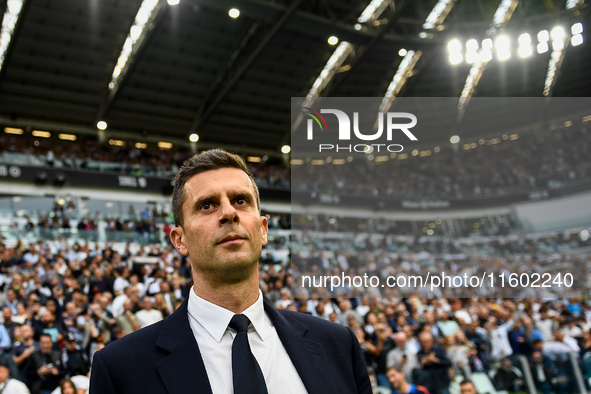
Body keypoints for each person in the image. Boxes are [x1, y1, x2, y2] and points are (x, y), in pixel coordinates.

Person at [89, 149, 371, 393]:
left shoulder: (337, 345)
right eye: (207, 205)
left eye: (240, 200)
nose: (228, 213)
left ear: (263, 230)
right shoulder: (122, 368)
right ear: (179, 239)